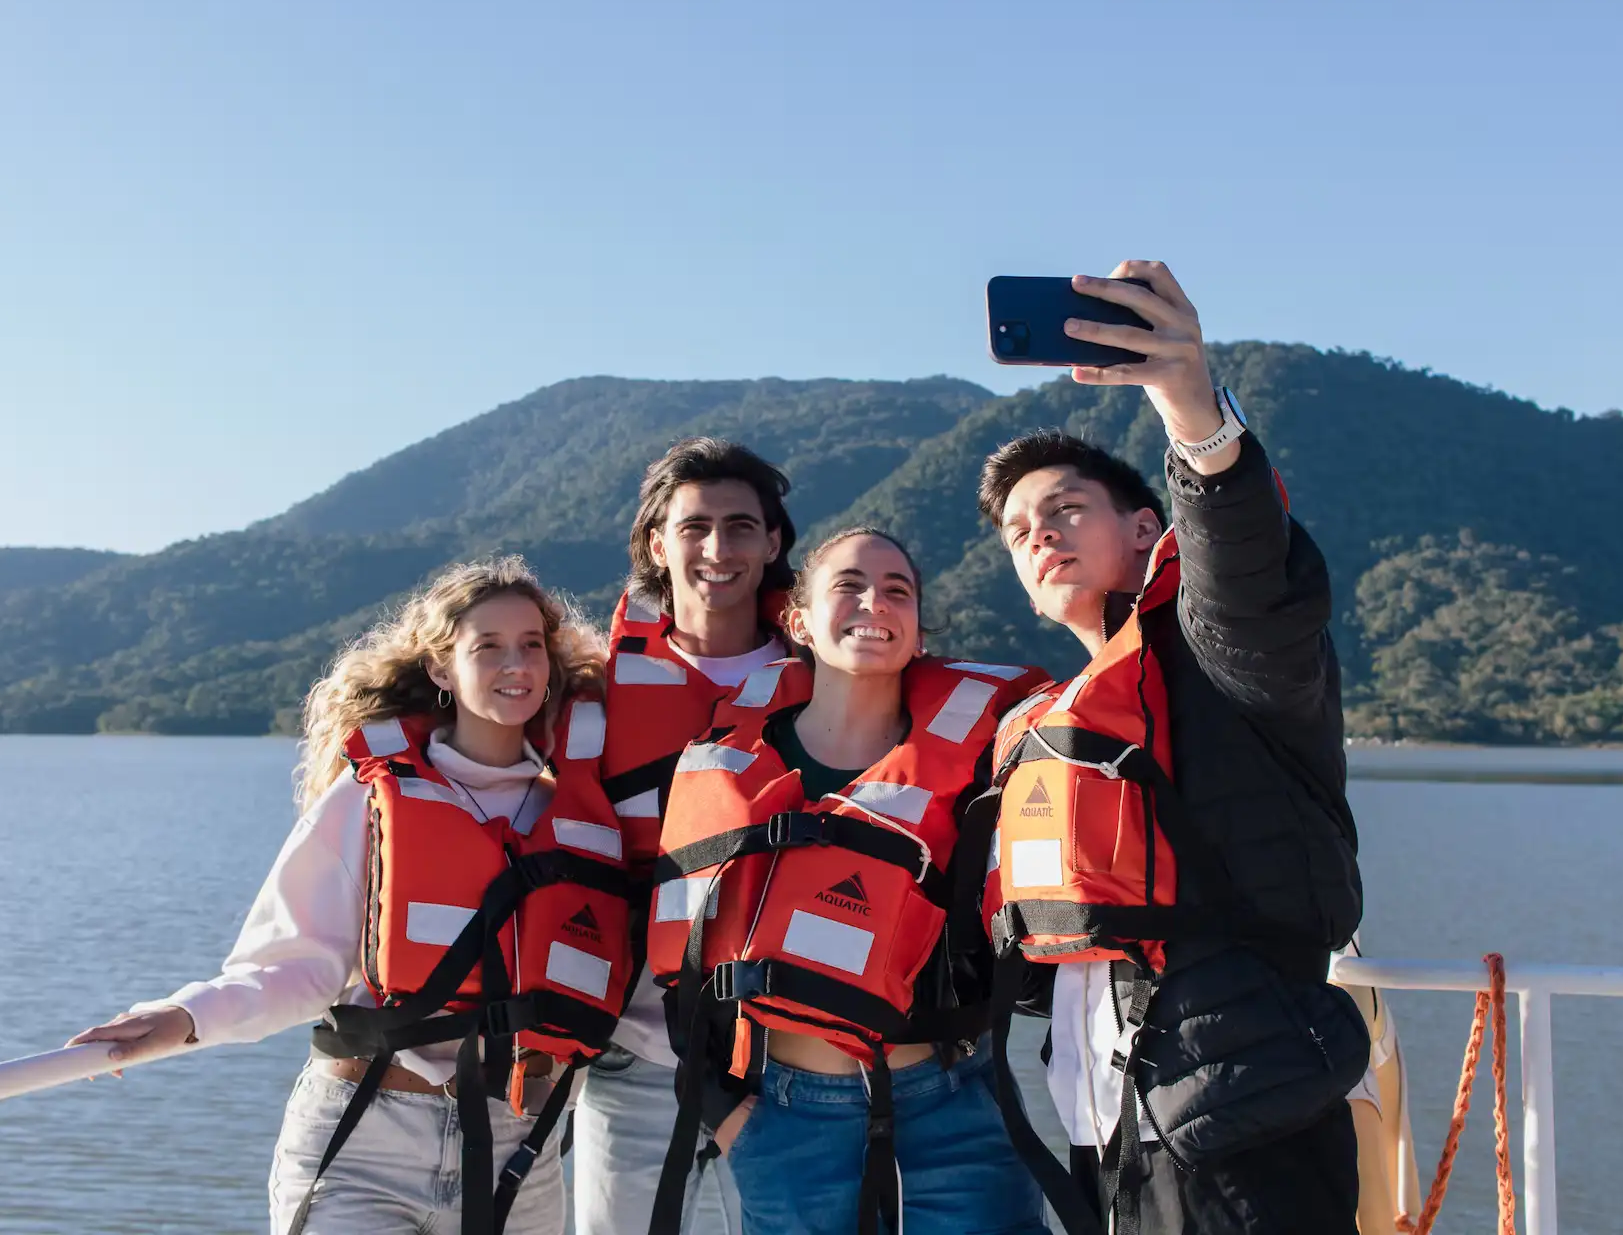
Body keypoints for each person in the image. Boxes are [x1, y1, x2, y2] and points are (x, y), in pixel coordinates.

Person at [976, 261, 1368, 1234]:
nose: (1042, 534)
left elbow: (1245, 563)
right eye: (1021, 530)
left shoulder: (1223, 657)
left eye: (1067, 508)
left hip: (1241, 1126)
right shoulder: (1041, 723)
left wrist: (1191, 408)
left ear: (1146, 526)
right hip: (1108, 1130)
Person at [69, 557, 630, 1235]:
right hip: (366, 1139)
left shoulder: (574, 817)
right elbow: (294, 966)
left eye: (531, 646)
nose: (516, 665)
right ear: (441, 668)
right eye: (488, 647)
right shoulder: (373, 796)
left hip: (517, 1150)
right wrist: (184, 1016)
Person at [650, 527, 1052, 1235]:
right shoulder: (725, 767)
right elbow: (683, 970)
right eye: (849, 586)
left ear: (918, 629)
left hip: (955, 1102)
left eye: (898, 590)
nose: (876, 601)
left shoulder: (988, 766)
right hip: (787, 1117)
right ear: (798, 621)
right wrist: (726, 1114)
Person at [575, 437, 796, 1235]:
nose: (717, 548)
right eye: (694, 526)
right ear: (656, 544)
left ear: (773, 544)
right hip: (634, 1057)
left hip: (788, 1061)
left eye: (741, 527)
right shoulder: (590, 691)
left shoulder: (835, 676)